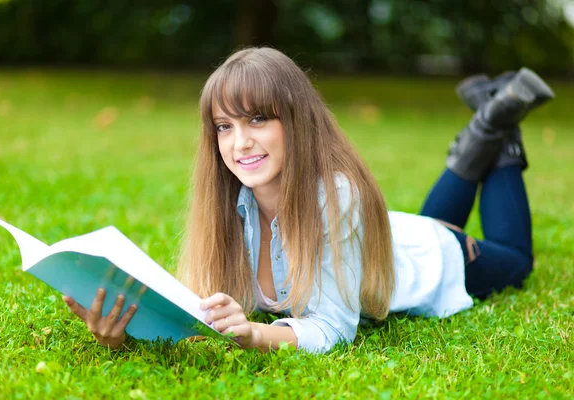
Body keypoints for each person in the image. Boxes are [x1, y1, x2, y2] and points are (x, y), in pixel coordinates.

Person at [62, 47, 554, 354]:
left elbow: (333, 328)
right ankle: (486, 123)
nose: (240, 143)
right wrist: (125, 331)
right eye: (224, 126)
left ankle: (497, 129)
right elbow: (198, 315)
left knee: (518, 260)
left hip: (433, 257)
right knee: (428, 221)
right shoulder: (230, 200)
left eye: (258, 119)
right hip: (387, 233)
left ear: (295, 121)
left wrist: (257, 335)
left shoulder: (336, 195)